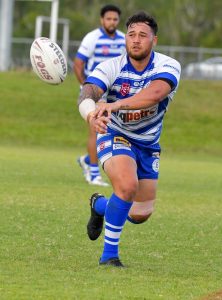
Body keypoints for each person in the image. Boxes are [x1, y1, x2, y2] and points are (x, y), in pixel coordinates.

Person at [78, 11, 181, 267]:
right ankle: (109, 256)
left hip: (148, 143)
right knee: (126, 186)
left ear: (154, 40)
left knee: (139, 213)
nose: (135, 40)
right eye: (132, 34)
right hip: (115, 134)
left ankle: (100, 206)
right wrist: (91, 114)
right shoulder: (110, 66)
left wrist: (117, 105)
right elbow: (87, 93)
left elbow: (156, 93)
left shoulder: (168, 65)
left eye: (142, 35)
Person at [74, 4, 125, 186]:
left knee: (113, 132)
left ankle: (88, 161)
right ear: (102, 20)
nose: (112, 22)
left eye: (115, 19)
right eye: (108, 18)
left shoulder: (123, 39)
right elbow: (78, 64)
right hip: (96, 93)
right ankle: (94, 174)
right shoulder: (92, 38)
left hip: (116, 96)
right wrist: (85, 88)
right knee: (96, 130)